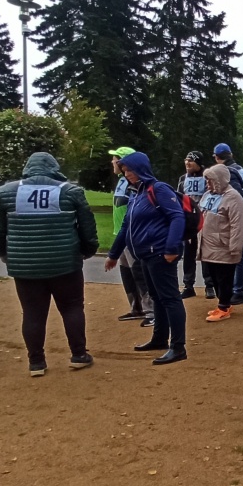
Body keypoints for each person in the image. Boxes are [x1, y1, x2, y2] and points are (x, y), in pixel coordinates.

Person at [0, 152, 99, 377]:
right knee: (72, 307)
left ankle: (36, 362)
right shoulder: (70, 191)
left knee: (32, 312)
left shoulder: (5, 192)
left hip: (25, 264)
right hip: (65, 261)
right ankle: (79, 355)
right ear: (54, 167)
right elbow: (87, 227)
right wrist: (88, 250)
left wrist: (4, 253)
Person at [104, 152, 188, 365]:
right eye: (125, 171)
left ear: (141, 169)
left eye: (130, 170)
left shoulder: (158, 189)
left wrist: (171, 248)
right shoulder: (137, 193)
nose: (127, 174)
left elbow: (177, 216)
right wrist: (114, 254)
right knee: (156, 297)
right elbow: (126, 226)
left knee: (170, 298)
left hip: (160, 253)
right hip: (145, 255)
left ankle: (178, 347)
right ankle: (159, 338)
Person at [110, 147, 154, 326]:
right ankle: (137, 307)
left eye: (115, 159)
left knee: (139, 273)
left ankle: (151, 311)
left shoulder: (135, 183)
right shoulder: (122, 181)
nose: (113, 162)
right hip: (120, 234)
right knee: (127, 273)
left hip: (133, 235)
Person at [198, 164, 243, 322]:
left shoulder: (234, 197)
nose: (207, 183)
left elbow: (238, 224)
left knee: (224, 278)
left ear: (219, 180)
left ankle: (224, 307)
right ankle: (223, 304)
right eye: (206, 180)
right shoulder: (207, 195)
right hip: (207, 246)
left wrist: (235, 248)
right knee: (214, 277)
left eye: (210, 180)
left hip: (224, 246)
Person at [213, 143, 243, 305]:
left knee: (238, 255)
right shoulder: (238, 168)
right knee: (242, 255)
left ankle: (239, 291)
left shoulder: (229, 171)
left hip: (240, 216)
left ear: (217, 157)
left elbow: (236, 197)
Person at [178, 150, 213, 299]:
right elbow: (179, 198)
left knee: (205, 252)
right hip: (189, 220)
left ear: (198, 163)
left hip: (204, 219)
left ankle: (209, 285)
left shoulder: (207, 177)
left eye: (191, 160)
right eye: (186, 160)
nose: (187, 163)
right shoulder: (182, 179)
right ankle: (188, 285)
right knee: (189, 253)